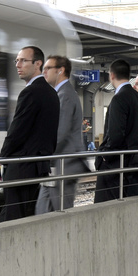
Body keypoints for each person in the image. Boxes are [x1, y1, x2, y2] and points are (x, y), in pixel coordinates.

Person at [0, 46, 59, 221]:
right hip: (38, 166)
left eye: (23, 60)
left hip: (22, 167)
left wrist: (1, 158)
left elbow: (17, 130)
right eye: (17, 60)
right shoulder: (52, 93)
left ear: (38, 63)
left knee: (13, 217)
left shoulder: (30, 92)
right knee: (25, 214)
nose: (18, 64)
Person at [37, 55, 87, 213]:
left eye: (48, 68)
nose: (43, 71)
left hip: (64, 165)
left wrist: (40, 152)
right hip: (57, 166)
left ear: (60, 70)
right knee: (43, 211)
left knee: (61, 215)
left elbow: (60, 133)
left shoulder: (64, 95)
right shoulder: (60, 93)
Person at [94, 59, 138, 203]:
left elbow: (115, 134)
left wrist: (105, 156)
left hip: (117, 166)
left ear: (111, 75)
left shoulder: (119, 98)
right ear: (128, 75)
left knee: (106, 208)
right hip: (134, 162)